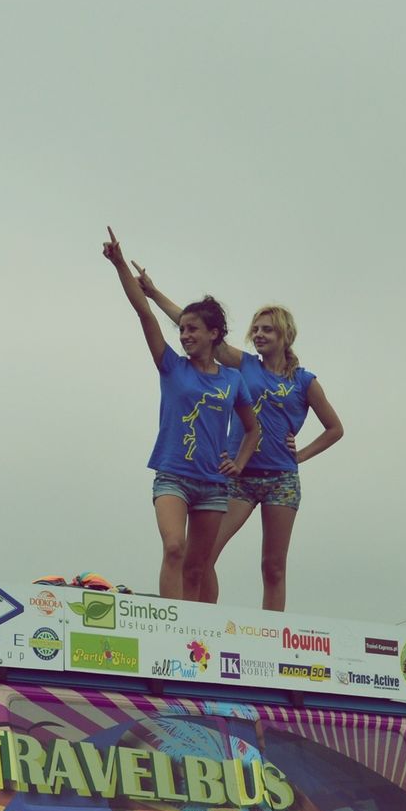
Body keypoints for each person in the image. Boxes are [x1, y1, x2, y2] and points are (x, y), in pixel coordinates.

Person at [135, 268, 343, 611]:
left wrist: (301, 455)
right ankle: (198, 616)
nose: (258, 335)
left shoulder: (305, 381)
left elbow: (335, 428)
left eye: (267, 329)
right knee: (203, 554)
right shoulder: (243, 365)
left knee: (273, 566)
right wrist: (155, 294)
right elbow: (198, 329)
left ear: (285, 335)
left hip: (281, 480)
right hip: (238, 476)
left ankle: (273, 634)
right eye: (256, 329)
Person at [103, 228, 260, 601]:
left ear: (214, 334)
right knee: (174, 547)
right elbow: (144, 314)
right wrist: (119, 264)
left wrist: (238, 463)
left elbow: (253, 430)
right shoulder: (172, 367)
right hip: (173, 476)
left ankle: (198, 633)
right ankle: (168, 623)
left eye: (193, 330)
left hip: (212, 484)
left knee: (198, 566)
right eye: (182, 329)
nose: (184, 335)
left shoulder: (234, 380)